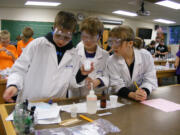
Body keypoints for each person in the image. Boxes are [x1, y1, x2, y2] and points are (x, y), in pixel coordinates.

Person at [3, 11, 93, 103]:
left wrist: (81, 75)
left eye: (66, 38)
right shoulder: (37, 45)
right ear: (53, 28)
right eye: (58, 35)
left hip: (55, 105)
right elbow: (19, 69)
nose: (61, 41)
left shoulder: (74, 55)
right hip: (30, 102)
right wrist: (13, 85)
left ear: (72, 35)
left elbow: (70, 84)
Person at [107, 25, 157, 101]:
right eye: (111, 42)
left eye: (117, 42)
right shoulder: (111, 60)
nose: (113, 47)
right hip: (120, 98)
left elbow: (150, 79)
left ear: (130, 43)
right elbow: (116, 84)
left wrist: (144, 92)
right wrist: (132, 95)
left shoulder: (145, 56)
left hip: (142, 98)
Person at [70, 17, 109, 97]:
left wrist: (98, 81)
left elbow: (108, 76)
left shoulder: (105, 55)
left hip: (96, 96)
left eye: (92, 37)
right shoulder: (73, 53)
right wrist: (81, 77)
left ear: (99, 37)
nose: (88, 40)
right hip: (76, 97)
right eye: (85, 36)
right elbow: (68, 78)